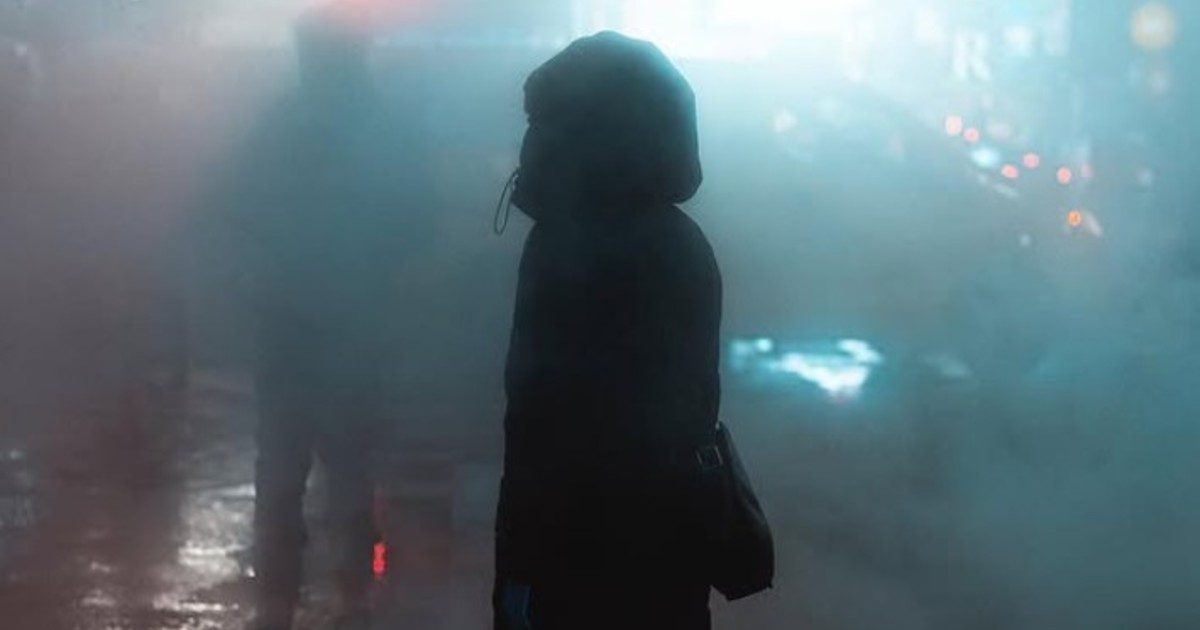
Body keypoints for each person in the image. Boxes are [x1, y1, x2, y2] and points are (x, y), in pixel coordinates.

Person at [199, 6, 433, 629]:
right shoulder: (382, 125)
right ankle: (348, 596)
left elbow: (235, 205)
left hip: (292, 320)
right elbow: (420, 216)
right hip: (348, 319)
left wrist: (263, 268)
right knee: (346, 461)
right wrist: (378, 270)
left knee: (284, 465)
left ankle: (282, 600)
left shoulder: (281, 123)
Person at [493, 32, 721, 629]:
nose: (531, 145)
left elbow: (543, 420)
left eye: (548, 124)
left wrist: (522, 569)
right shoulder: (679, 240)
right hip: (664, 555)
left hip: (576, 559)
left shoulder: (572, 248)